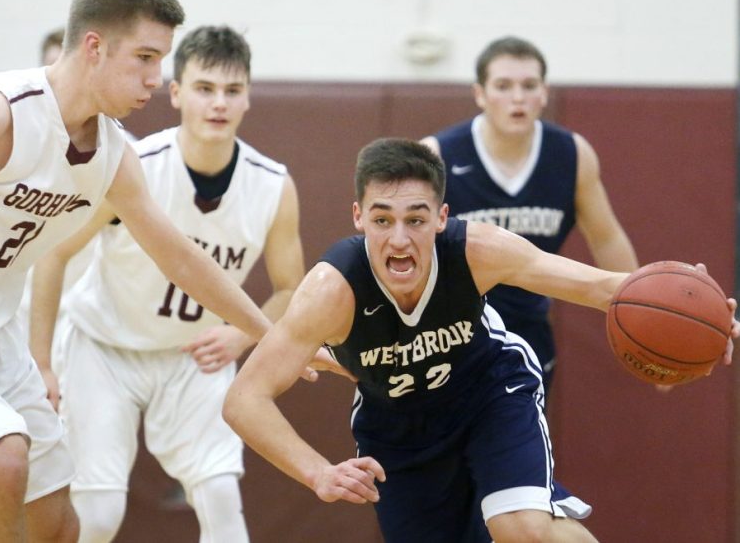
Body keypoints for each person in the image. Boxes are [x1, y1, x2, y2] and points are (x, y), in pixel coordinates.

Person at [222, 138, 739, 543]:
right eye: (382, 220)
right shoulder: (329, 292)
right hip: (398, 430)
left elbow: (602, 287)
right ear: (358, 218)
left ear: (442, 218)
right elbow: (244, 399)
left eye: (416, 219)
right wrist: (317, 473)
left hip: (490, 393)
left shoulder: (478, 251)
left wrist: (694, 308)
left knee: (522, 528)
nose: (399, 239)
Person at [0, 0, 267, 539]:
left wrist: (272, 332)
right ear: (94, 46)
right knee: (5, 459)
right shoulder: (4, 114)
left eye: (160, 59)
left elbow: (181, 259)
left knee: (60, 520)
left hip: (0, 332)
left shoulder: (114, 153)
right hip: (62, 339)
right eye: (144, 57)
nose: (154, 77)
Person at [30, 24, 305, 543]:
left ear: (248, 97)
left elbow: (291, 286)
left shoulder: (273, 185)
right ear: (176, 93)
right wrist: (41, 362)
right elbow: (54, 253)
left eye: (231, 90)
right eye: (204, 88)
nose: (218, 104)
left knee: (222, 501)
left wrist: (242, 334)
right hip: (104, 349)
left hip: (193, 354)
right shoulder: (134, 167)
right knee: (100, 513)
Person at [421, 36, 638, 396]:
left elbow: (607, 238)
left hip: (529, 327)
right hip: (449, 333)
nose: (517, 97)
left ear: (544, 93)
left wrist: (642, 312)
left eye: (528, 85)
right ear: (480, 94)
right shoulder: (436, 155)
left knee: (519, 449)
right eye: (503, 86)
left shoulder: (571, 154)